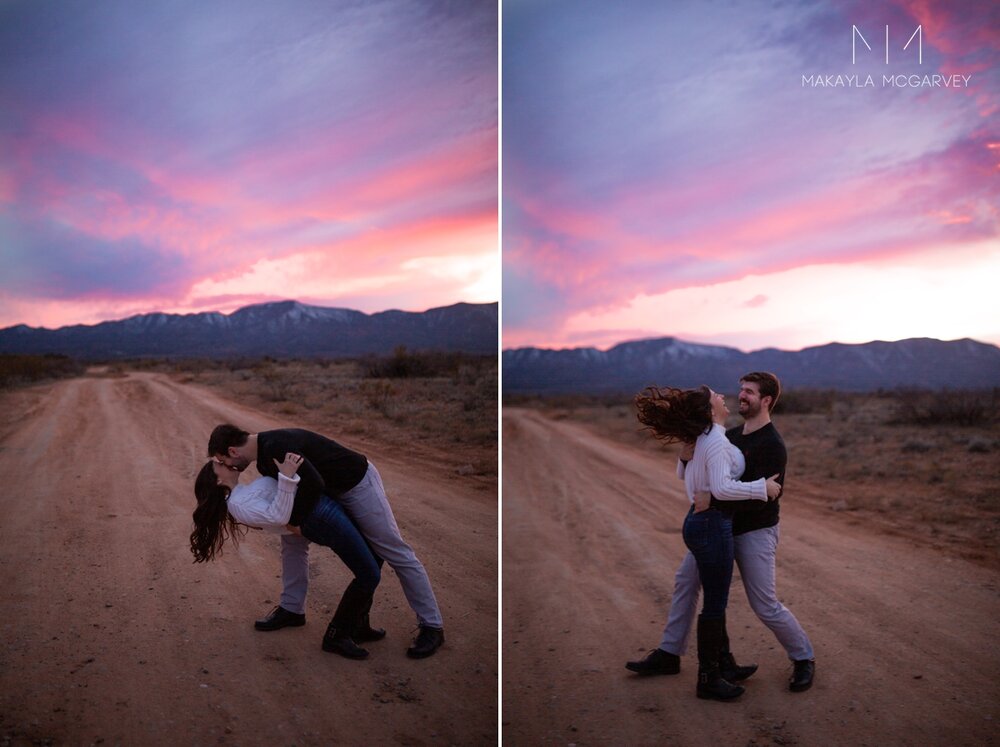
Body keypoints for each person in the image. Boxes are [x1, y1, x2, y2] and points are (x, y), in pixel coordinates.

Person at [626, 372, 816, 693]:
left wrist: (711, 497)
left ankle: (803, 658)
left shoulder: (772, 445)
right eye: (741, 390)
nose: (741, 396)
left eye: (750, 392)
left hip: (753, 531)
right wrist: (686, 457)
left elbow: (765, 496)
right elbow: (706, 471)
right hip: (718, 528)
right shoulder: (732, 433)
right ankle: (670, 653)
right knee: (686, 583)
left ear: (766, 400)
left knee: (764, 603)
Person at [208, 424, 445, 659]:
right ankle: (292, 609)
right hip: (332, 491)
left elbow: (314, 483)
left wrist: (296, 524)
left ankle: (432, 626)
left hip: (357, 484)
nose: (226, 466)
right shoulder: (263, 457)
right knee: (292, 545)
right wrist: (291, 526)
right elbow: (296, 489)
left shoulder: (275, 446)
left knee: (394, 550)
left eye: (222, 460)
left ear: (233, 451)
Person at [191, 451, 382, 659]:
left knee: (371, 555)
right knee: (369, 571)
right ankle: (337, 634)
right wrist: (287, 476)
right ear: (218, 480)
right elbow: (277, 516)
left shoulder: (241, 493)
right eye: (218, 464)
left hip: (309, 514)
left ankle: (334, 618)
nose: (222, 462)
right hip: (317, 520)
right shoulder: (237, 504)